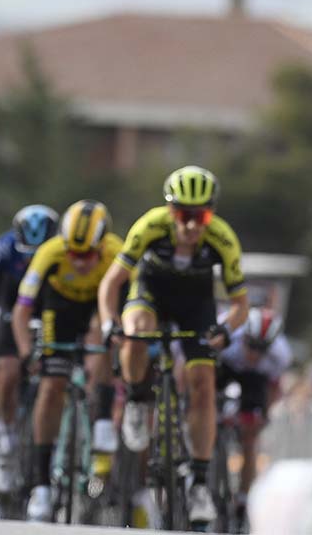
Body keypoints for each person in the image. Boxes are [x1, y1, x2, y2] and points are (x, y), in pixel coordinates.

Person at [98, 165, 249, 528]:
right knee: (136, 330)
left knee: (203, 384)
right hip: (152, 292)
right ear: (170, 210)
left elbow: (240, 305)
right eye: (184, 215)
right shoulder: (150, 226)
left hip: (196, 304)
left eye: (202, 216)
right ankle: (136, 398)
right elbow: (111, 283)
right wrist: (108, 323)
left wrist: (225, 330)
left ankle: (199, 483)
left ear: (212, 213)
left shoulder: (223, 238)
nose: (193, 225)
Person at [11, 200, 122, 521]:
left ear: (102, 246)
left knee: (105, 336)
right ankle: (41, 485)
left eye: (87, 255)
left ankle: (102, 417)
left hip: (98, 306)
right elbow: (21, 310)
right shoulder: (50, 253)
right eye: (73, 253)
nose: (79, 261)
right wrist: (25, 352)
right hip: (59, 309)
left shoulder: (116, 252)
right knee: (51, 387)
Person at [0, 203, 58, 492]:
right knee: (7, 370)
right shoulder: (2, 251)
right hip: (11, 311)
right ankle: (6, 433)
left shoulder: (62, 251)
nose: (33, 261)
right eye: (28, 255)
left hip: (48, 310)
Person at [218, 307, 292, 520]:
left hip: (255, 379)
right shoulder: (229, 334)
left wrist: (263, 417)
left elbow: (273, 390)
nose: (254, 354)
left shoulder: (280, 355)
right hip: (226, 367)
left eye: (261, 349)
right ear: (243, 336)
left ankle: (243, 498)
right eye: (250, 345)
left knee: (251, 437)